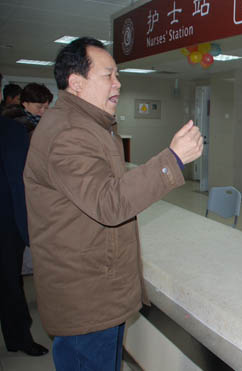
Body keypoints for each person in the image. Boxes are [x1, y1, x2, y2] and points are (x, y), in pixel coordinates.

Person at [23, 37, 204, 370]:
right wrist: (172, 160)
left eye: (118, 75)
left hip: (97, 288)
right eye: (108, 75)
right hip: (86, 297)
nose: (118, 83)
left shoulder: (87, 124)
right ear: (76, 83)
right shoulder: (69, 132)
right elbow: (109, 202)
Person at [0, 116, 49, 356]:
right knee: (9, 284)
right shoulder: (10, 130)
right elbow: (18, 184)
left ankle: (15, 337)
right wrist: (31, 234)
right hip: (6, 225)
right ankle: (19, 338)